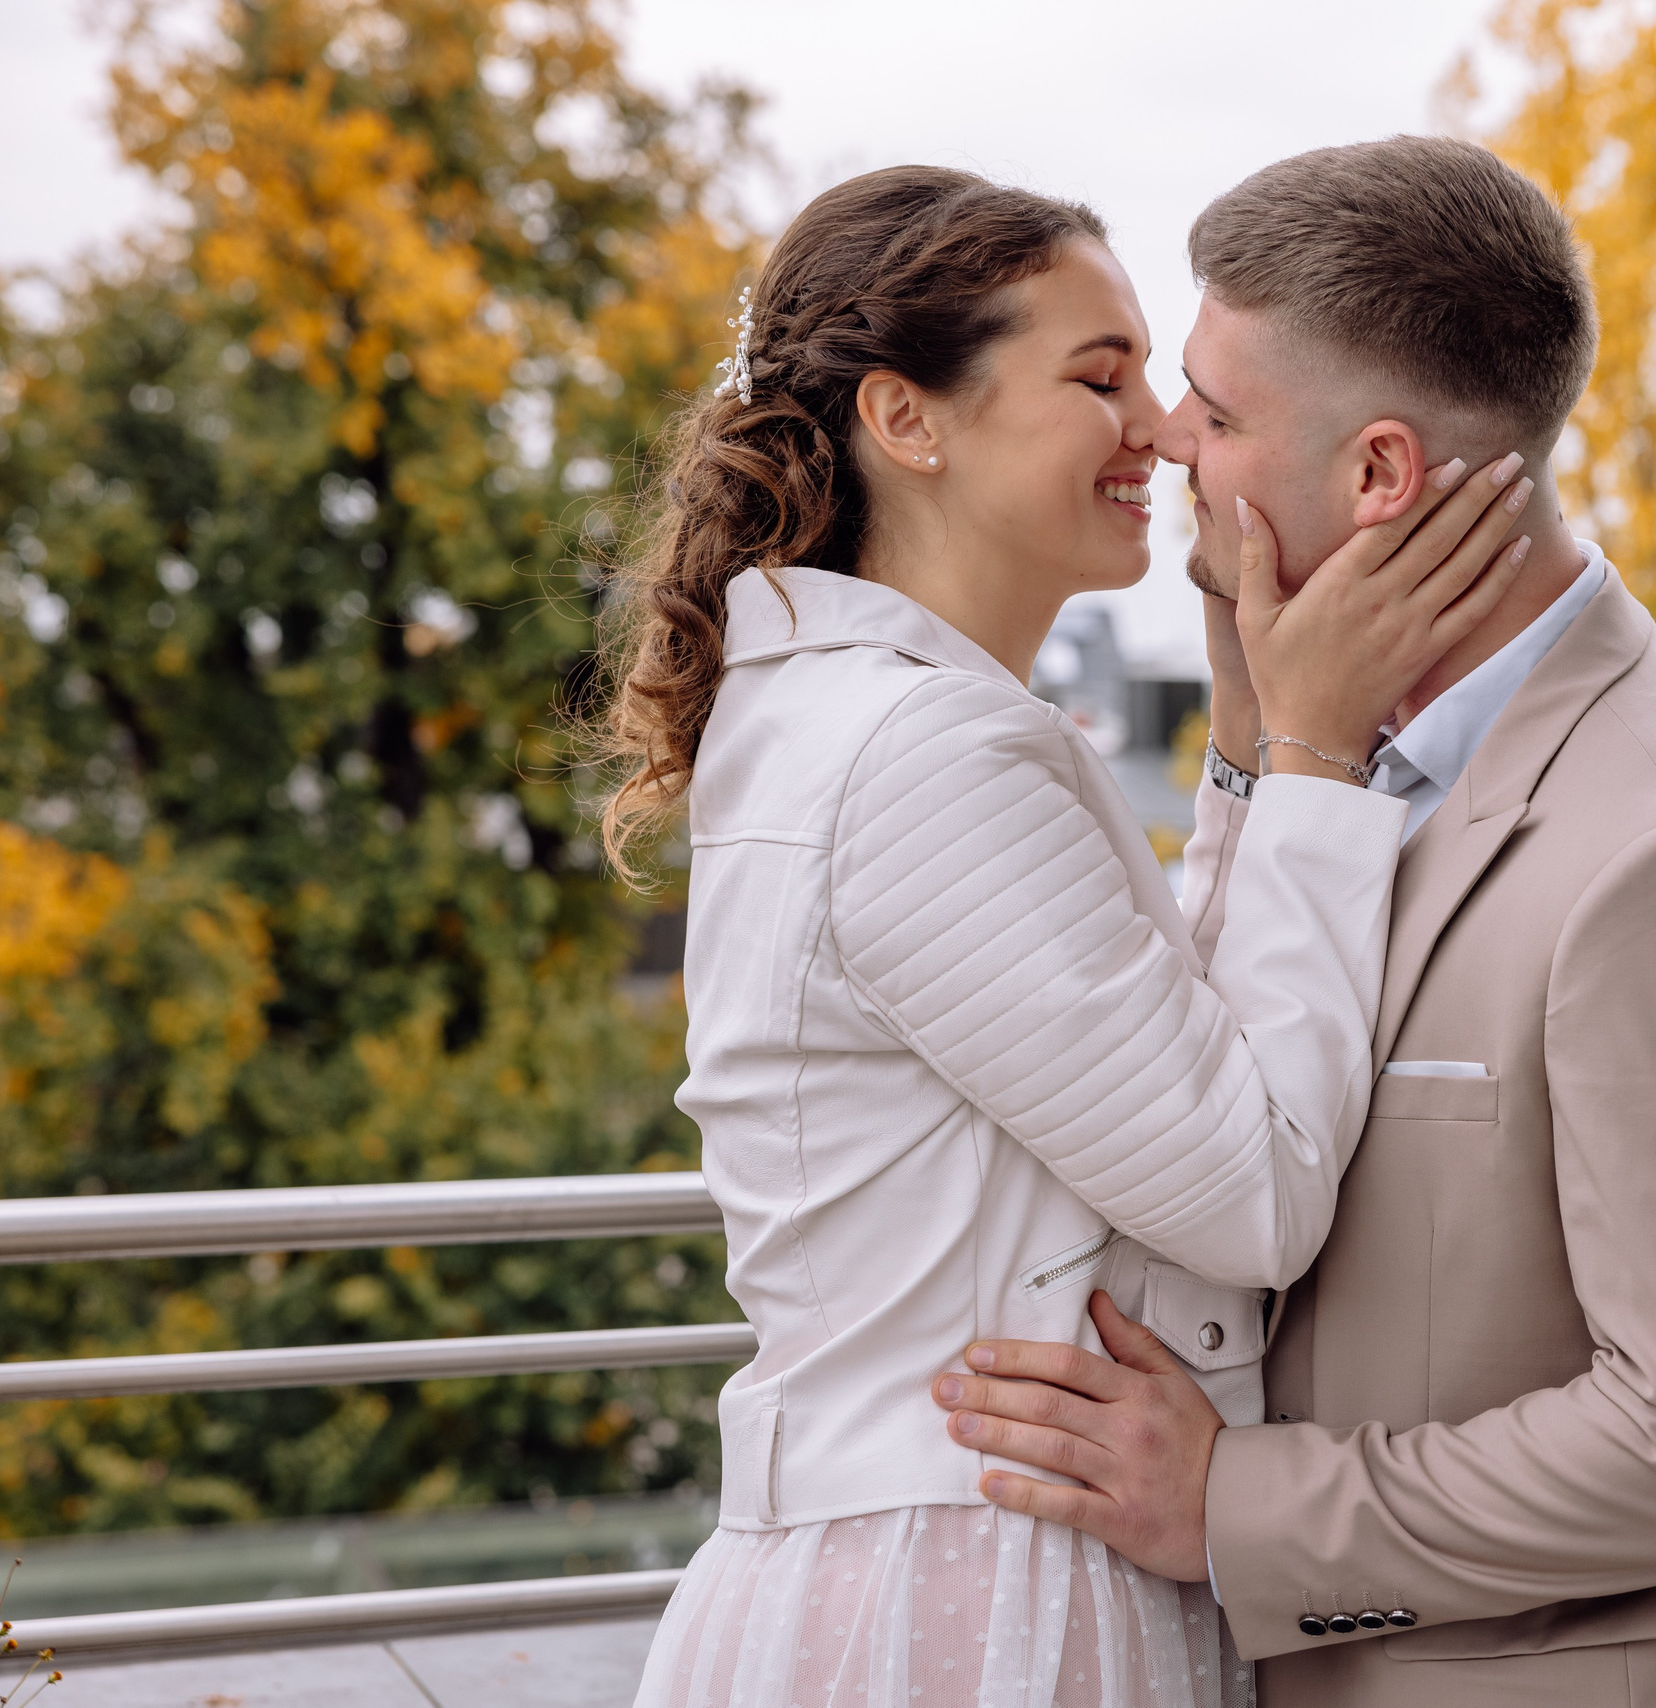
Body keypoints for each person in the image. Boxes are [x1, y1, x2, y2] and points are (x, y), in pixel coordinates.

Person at [926, 137, 1656, 1707]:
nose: (1166, 439)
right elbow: (1237, 1100)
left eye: (1218, 413)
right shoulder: (1346, 743)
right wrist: (1251, 740)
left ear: (1376, 475)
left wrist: (1234, 1505)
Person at [595, 165, 1534, 1708]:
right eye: (1101, 378)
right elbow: (1254, 1189)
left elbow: (1160, 1064)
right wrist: (1317, 755)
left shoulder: (881, 721)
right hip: (978, 1609)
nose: (1164, 432)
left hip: (953, 1574)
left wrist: (1246, 758)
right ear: (909, 420)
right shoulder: (919, 755)